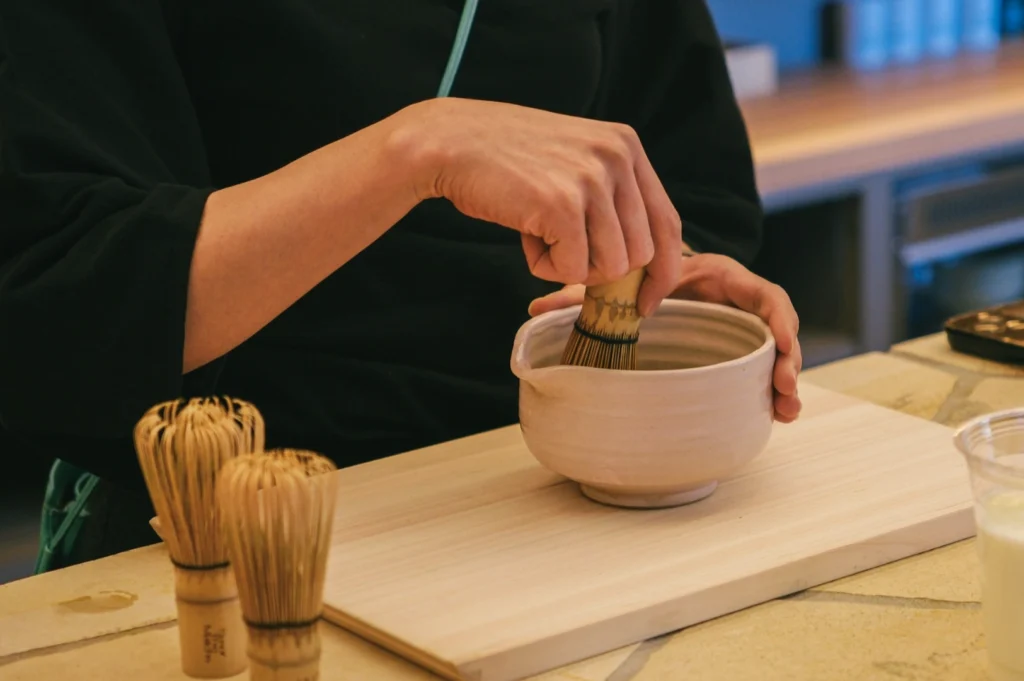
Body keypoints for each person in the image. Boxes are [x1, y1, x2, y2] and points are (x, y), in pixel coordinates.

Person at [0, 0, 803, 567]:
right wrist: (419, 150)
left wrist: (668, 269)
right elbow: (54, 299)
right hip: (231, 528)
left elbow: (684, 178)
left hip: (536, 505)